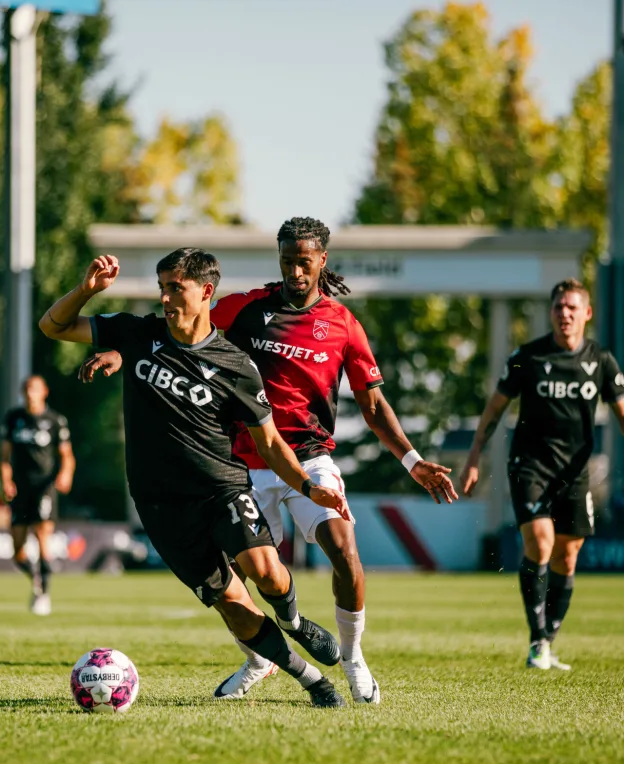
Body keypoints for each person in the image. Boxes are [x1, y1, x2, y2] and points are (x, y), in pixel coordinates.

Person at [80, 217, 458, 704]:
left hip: (308, 456)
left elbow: (373, 405)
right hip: (243, 461)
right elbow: (178, 332)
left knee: (344, 548)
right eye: (286, 261)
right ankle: (260, 660)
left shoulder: (344, 325)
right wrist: (120, 354)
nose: (295, 271)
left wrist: (412, 461)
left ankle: (352, 657)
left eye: (304, 262)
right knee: (237, 586)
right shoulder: (245, 308)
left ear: (322, 260)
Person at [40, 248, 354, 708]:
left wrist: (308, 487)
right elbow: (53, 326)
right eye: (162, 288)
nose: (165, 298)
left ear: (206, 291)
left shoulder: (236, 366)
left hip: (221, 489)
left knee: (266, 572)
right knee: (233, 605)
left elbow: (269, 444)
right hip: (160, 505)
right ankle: (312, 680)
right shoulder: (138, 334)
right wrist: (86, 290)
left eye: (175, 288)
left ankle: (293, 621)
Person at [460, 279, 624, 670]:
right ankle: (537, 641)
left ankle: (548, 639)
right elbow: (495, 408)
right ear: (551, 313)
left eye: (572, 307)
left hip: (576, 472)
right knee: (541, 541)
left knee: (567, 555)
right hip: (529, 464)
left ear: (587, 313)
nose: (564, 314)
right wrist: (474, 457)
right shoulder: (528, 358)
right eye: (558, 307)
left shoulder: (602, 361)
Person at [1, 375, 75, 615]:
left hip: (44, 487)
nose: (30, 393)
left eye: (34, 389)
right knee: (18, 550)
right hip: (19, 489)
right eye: (27, 389)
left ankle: (43, 594)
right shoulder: (14, 418)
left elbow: (67, 456)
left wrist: (65, 475)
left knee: (43, 536)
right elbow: (4, 456)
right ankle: (35, 578)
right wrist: (6, 481)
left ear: (44, 392)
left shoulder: (55, 421)